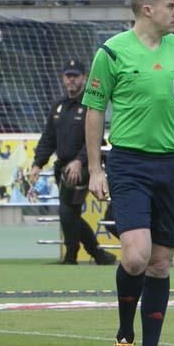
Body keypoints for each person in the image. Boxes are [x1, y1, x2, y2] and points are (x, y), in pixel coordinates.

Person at [84, 0, 174, 346]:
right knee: (135, 256)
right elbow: (95, 110)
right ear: (147, 9)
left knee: (159, 263)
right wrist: (96, 167)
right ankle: (123, 337)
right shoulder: (111, 53)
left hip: (173, 164)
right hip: (130, 163)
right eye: (172, 6)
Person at [30, 60, 117, 265]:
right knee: (71, 213)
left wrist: (79, 161)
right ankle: (98, 255)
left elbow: (95, 138)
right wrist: (37, 163)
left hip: (85, 165)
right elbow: (48, 138)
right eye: (68, 75)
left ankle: (73, 255)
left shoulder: (90, 105)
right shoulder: (58, 106)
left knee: (67, 211)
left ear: (84, 78)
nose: (71, 79)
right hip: (62, 165)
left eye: (75, 76)